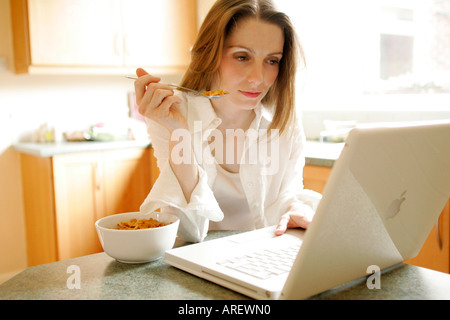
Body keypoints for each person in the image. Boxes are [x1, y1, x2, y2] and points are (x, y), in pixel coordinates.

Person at [134, 0, 321, 243]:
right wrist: (179, 132)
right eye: (242, 57)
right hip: (199, 263)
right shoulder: (172, 114)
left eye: (272, 60)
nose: (258, 78)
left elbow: (288, 196)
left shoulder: (284, 117)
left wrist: (297, 210)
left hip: (265, 257)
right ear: (211, 54)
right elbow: (187, 232)